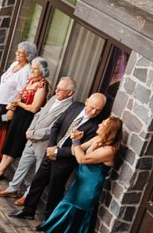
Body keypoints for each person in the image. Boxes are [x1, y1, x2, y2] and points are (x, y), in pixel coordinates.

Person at [31, 115, 124, 233]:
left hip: (90, 187)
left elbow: (82, 158)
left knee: (75, 212)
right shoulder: (97, 139)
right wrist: (76, 141)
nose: (99, 125)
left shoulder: (109, 150)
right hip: (80, 182)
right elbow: (75, 150)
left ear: (109, 130)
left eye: (103, 124)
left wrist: (76, 142)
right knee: (71, 210)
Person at [15, 87, 108, 222]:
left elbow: (80, 148)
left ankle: (48, 220)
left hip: (65, 160)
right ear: (87, 101)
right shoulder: (75, 106)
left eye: (98, 110)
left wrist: (57, 152)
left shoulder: (96, 126)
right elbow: (56, 126)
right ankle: (28, 211)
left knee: (55, 191)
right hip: (50, 151)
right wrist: (51, 147)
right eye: (92, 107)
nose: (93, 112)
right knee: (37, 182)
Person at [2, 76, 77, 208]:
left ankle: (27, 196)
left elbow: (55, 127)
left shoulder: (69, 108)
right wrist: (30, 130)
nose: (56, 91)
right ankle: (12, 188)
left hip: (43, 143)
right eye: (57, 88)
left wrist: (35, 135)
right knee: (22, 165)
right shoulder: (53, 98)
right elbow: (38, 115)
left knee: (38, 174)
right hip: (31, 138)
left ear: (70, 93)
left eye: (60, 90)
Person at [0, 60, 51, 187]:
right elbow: (21, 96)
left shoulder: (42, 86)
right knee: (9, 141)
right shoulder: (31, 81)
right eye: (31, 68)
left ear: (42, 71)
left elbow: (34, 108)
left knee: (15, 145)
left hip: (27, 118)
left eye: (35, 69)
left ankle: (1, 171)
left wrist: (19, 104)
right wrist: (13, 105)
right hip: (18, 115)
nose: (31, 70)